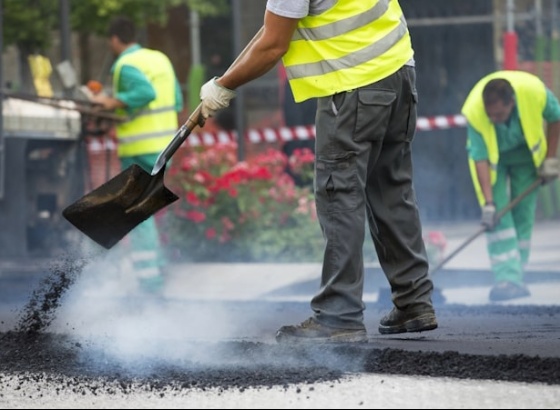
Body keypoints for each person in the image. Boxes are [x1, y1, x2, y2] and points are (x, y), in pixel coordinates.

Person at [199, 0, 438, 342]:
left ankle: (339, 315)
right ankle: (414, 300)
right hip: (399, 74)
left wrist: (224, 87)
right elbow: (272, 30)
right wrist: (223, 83)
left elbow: (273, 45)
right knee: (391, 190)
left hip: (353, 84)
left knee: (338, 194)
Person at [91, 16, 184, 294]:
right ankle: (157, 270)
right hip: (166, 146)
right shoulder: (160, 59)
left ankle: (150, 284)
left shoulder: (125, 64)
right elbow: (177, 100)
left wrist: (112, 102)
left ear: (114, 40)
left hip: (140, 149)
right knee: (148, 210)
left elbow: (144, 93)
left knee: (136, 213)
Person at [461, 70, 560, 302]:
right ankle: (505, 279)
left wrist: (550, 159)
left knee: (523, 213)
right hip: (494, 161)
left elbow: (555, 117)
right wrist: (489, 203)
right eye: (491, 115)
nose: (493, 119)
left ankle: (517, 275)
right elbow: (480, 158)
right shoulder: (475, 111)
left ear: (511, 102)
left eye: (499, 114)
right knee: (497, 217)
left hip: (525, 157)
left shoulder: (534, 92)